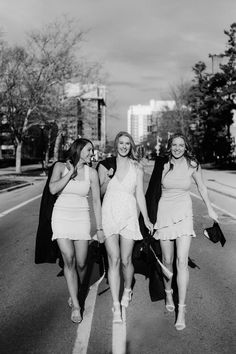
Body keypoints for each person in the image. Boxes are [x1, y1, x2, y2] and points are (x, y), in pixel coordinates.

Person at [150, 133, 218, 330]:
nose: (178, 148)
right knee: (168, 261)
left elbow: (202, 188)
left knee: (182, 261)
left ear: (186, 147)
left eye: (181, 145)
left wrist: (210, 209)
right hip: (164, 213)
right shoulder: (162, 164)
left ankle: (181, 310)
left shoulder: (193, 164)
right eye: (174, 145)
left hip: (184, 214)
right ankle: (169, 291)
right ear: (169, 146)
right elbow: (153, 191)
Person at [98, 131, 153, 323]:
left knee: (126, 260)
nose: (124, 146)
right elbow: (99, 192)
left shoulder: (137, 167)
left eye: (127, 144)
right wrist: (108, 179)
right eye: (121, 143)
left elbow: (139, 195)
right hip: (109, 214)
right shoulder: (105, 165)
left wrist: (145, 218)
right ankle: (115, 305)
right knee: (113, 260)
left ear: (131, 146)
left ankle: (127, 289)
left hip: (129, 215)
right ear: (116, 145)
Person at [49, 138, 104, 323]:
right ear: (79, 150)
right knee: (69, 259)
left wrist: (100, 228)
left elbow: (96, 202)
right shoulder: (60, 166)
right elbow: (52, 189)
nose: (91, 154)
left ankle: (78, 289)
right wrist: (70, 173)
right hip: (61, 217)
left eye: (92, 151)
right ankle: (76, 305)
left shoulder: (92, 173)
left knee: (81, 263)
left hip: (81, 218)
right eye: (89, 150)